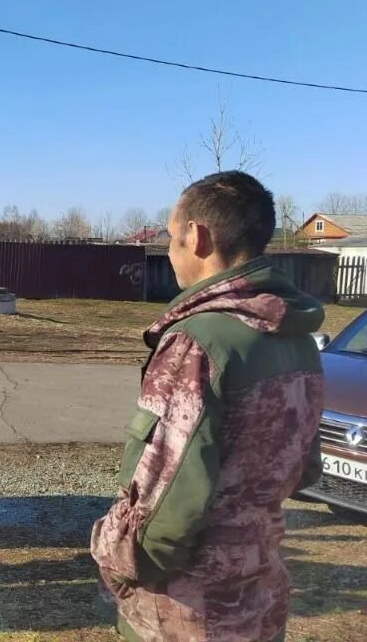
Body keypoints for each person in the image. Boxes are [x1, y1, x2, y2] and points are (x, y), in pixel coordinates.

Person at [90, 171, 326, 642]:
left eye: (172, 240)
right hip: (259, 600)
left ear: (197, 238)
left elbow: (164, 512)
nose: (171, 254)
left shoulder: (198, 343)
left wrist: (116, 567)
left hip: (186, 611)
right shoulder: (297, 337)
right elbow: (305, 470)